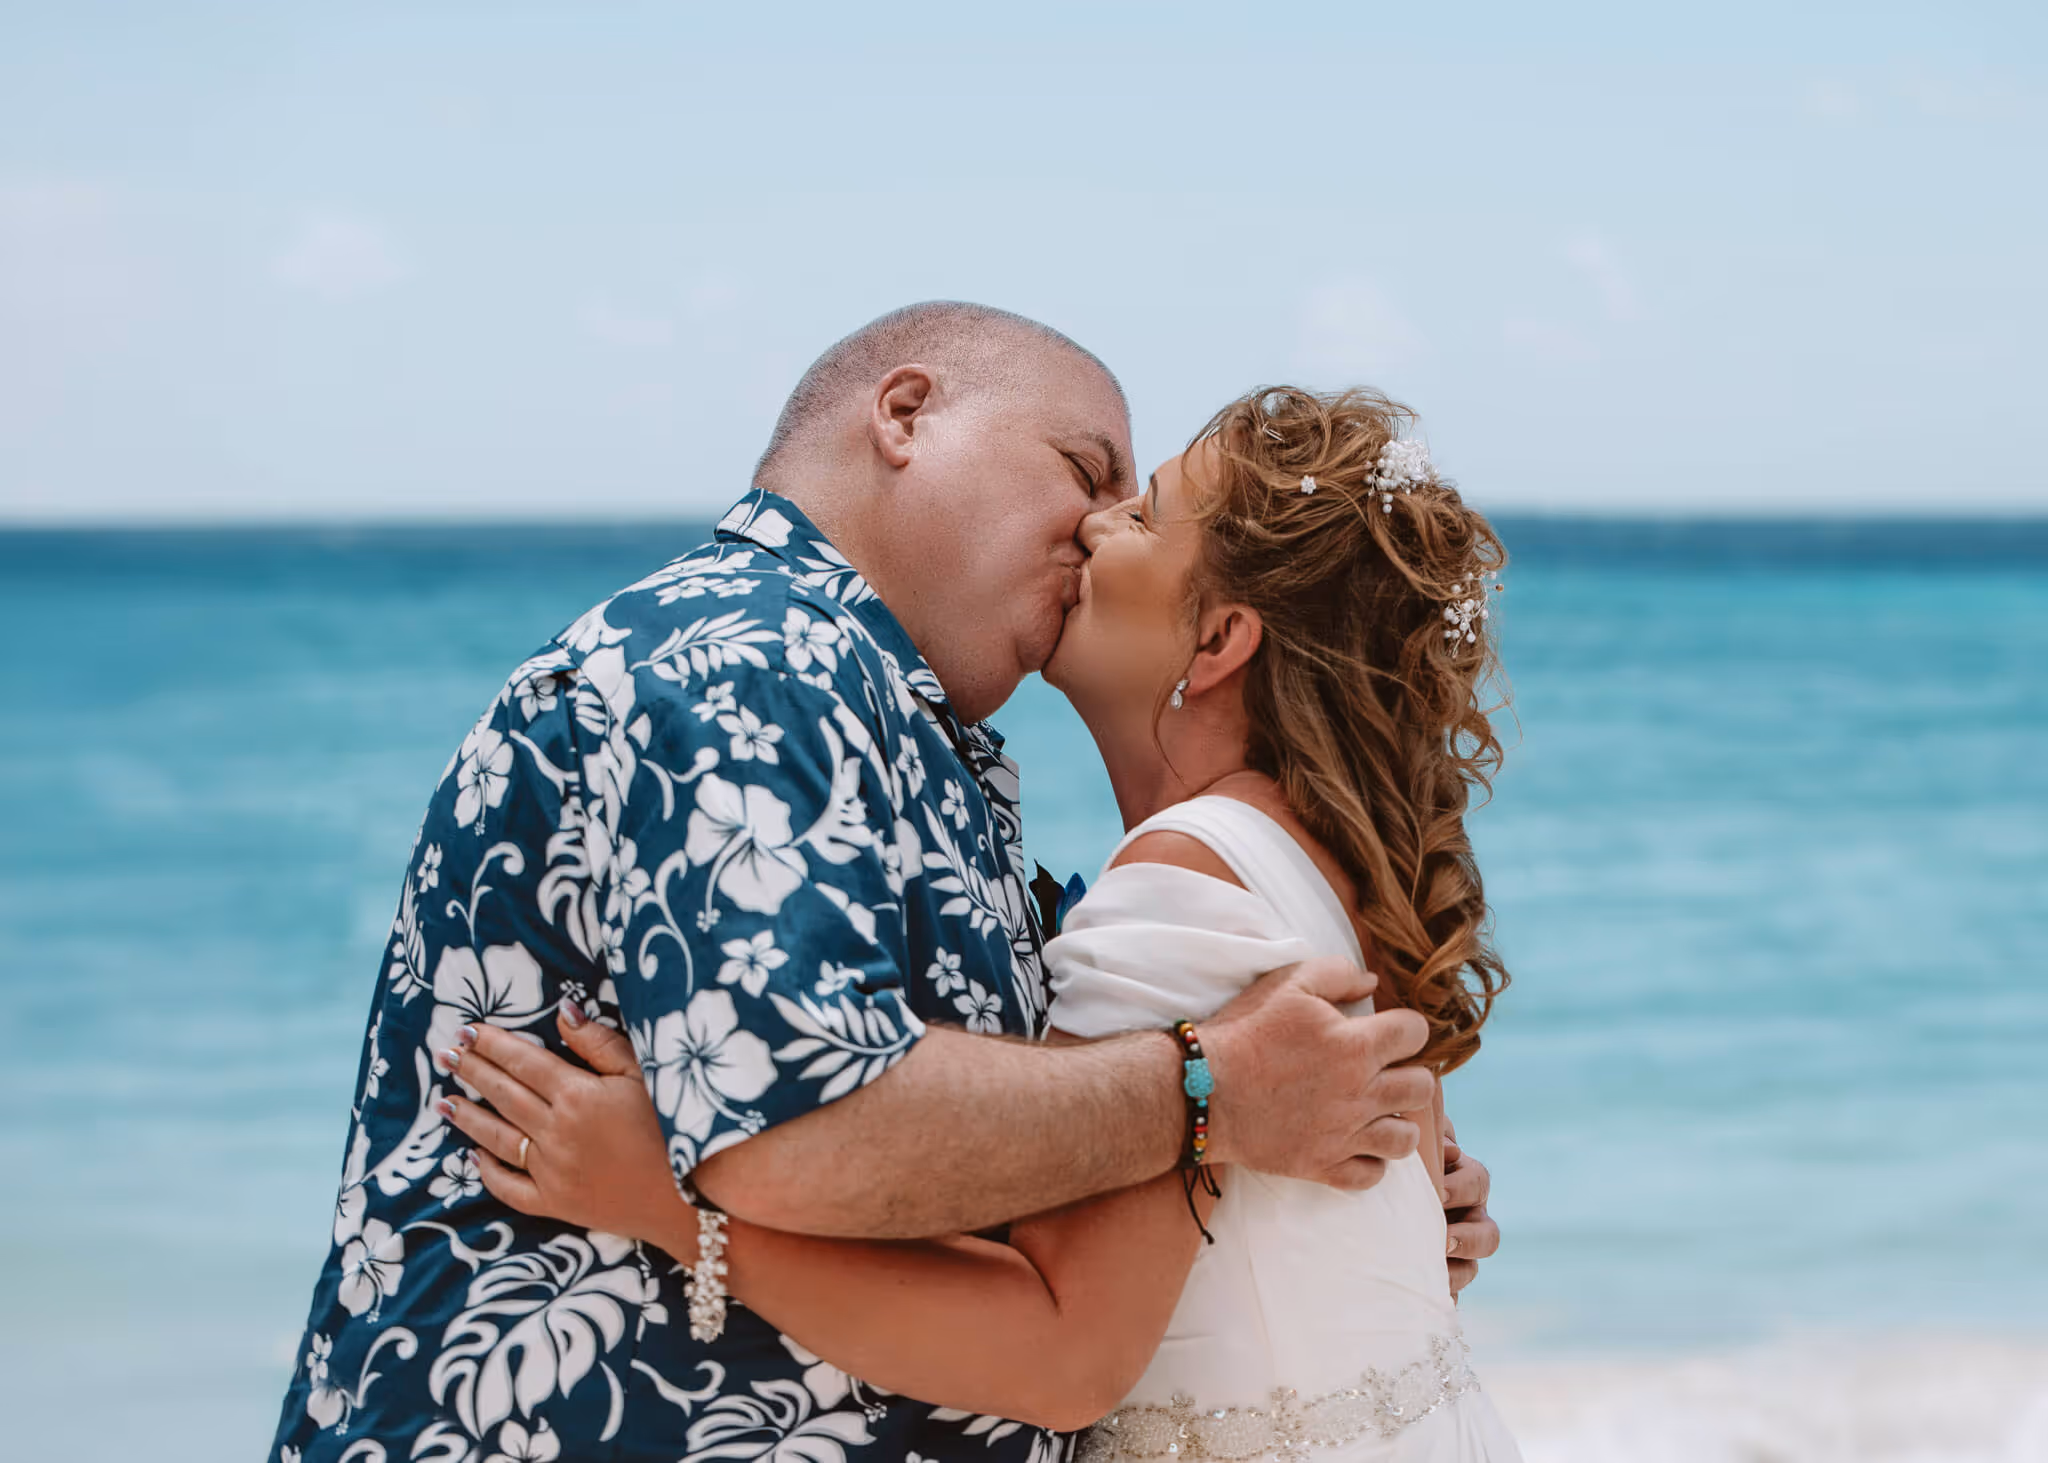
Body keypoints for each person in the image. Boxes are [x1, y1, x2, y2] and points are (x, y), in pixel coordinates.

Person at [270, 303, 1499, 1463]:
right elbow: (804, 1122)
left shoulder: (894, 715)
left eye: (1136, 505)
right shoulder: (745, 667)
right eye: (1086, 470)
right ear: (903, 414)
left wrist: (1337, 1198)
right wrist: (1210, 1092)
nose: (1094, 527)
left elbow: (992, 1180)